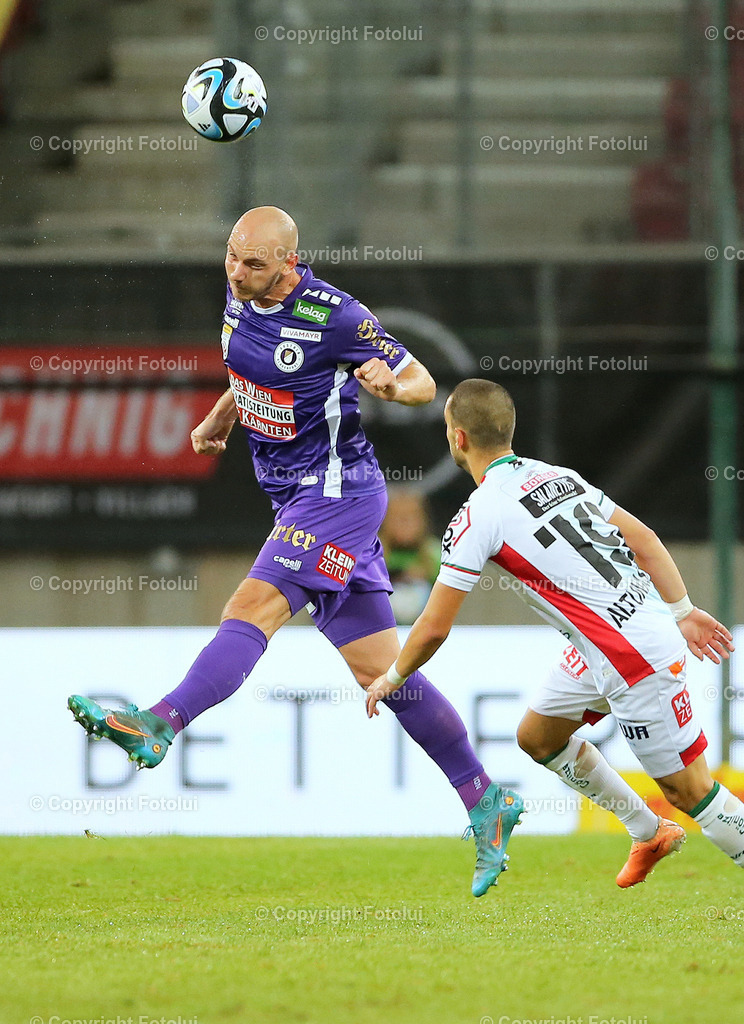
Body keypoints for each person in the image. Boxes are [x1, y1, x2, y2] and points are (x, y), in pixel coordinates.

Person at [68, 211, 523, 897]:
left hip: (336, 497)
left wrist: (391, 387)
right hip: (295, 499)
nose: (235, 271)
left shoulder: (336, 315)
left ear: (288, 262)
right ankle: (486, 799)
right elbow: (247, 370)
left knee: (251, 605)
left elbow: (424, 382)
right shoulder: (238, 296)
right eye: (231, 257)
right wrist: (220, 417)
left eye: (252, 264)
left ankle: (158, 723)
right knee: (382, 671)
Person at [366, 378, 744, 936]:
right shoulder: (558, 476)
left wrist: (390, 676)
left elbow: (433, 628)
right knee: (538, 736)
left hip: (629, 653)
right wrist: (683, 609)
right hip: (612, 638)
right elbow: (645, 537)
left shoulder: (476, 516)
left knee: (688, 789)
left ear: (457, 438)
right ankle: (647, 830)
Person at [379, 487, 441, 623]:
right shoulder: (372, 553)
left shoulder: (435, 554)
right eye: (398, 517)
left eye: (411, 517)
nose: (405, 523)